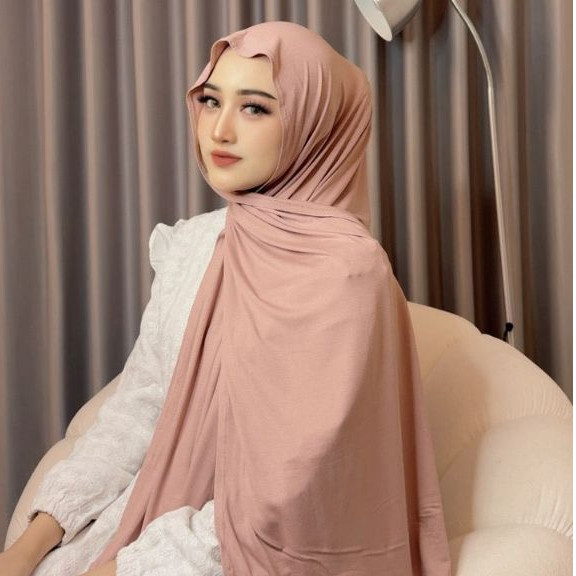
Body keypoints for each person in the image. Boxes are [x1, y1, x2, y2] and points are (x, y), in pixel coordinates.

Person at [1, 20, 452, 576]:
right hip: (145, 528)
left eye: (255, 108)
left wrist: (121, 570)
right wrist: (27, 548)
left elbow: (287, 505)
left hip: (236, 559)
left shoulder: (347, 276)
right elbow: (139, 411)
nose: (218, 130)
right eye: (211, 101)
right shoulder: (194, 245)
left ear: (314, 126)